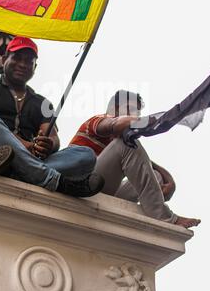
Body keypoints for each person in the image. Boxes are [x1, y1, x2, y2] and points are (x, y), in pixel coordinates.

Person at [0, 35, 104, 198]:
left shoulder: (42, 102)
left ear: (35, 67)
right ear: (4, 60)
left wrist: (46, 144)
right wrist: (24, 145)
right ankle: (53, 180)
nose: (23, 64)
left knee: (86, 155)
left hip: (28, 160)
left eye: (29, 61)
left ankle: (17, 172)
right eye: (17, 57)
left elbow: (53, 138)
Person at [70, 90, 201, 228]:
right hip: (80, 183)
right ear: (114, 109)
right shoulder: (98, 121)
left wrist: (169, 178)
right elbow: (113, 125)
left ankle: (151, 212)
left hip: (102, 190)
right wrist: (150, 120)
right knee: (125, 144)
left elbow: (144, 163)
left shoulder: (121, 142)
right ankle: (165, 217)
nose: (135, 116)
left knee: (157, 176)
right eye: (130, 109)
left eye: (137, 113)